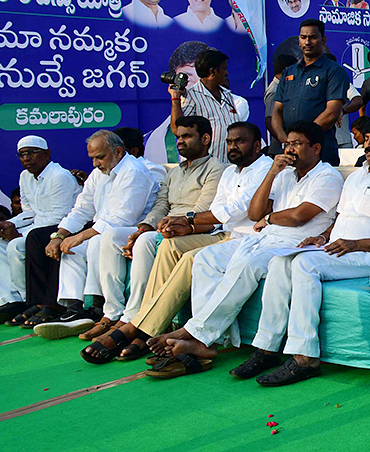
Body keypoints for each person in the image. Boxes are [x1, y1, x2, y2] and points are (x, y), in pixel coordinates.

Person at [147, 121, 344, 376]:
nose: (290, 149)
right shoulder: (284, 174)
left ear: (316, 148)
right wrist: (272, 172)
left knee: (246, 266)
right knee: (207, 259)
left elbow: (298, 217)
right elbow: (254, 213)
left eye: (297, 144)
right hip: (262, 237)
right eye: (287, 144)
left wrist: (271, 218)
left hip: (293, 244)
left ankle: (196, 334)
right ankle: (209, 342)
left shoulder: (327, 176)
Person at [244, 117, 370, 386]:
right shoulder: (356, 176)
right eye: (367, 138)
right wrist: (321, 236)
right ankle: (268, 347)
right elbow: (340, 219)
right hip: (340, 249)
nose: (368, 144)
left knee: (305, 265)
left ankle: (305, 358)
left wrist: (356, 243)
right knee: (281, 261)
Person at [87, 122, 271, 366]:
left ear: (257, 145)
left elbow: (239, 210)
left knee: (190, 258)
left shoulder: (265, 168)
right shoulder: (229, 172)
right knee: (168, 245)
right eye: (229, 142)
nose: (233, 146)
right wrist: (184, 226)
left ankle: (138, 329)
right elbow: (216, 212)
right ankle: (148, 325)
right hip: (223, 233)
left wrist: (188, 221)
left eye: (240, 141)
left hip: (249, 238)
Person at [79, 117, 224, 361]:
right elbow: (160, 204)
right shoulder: (175, 172)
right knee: (115, 235)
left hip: (197, 228)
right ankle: (116, 314)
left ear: (206, 139)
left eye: (186, 136)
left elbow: (204, 209)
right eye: (178, 137)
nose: (180, 142)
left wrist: (175, 225)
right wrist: (144, 227)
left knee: (147, 241)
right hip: (166, 226)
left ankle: (136, 319)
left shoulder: (216, 169)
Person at [27, 131, 157, 338]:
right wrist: (59, 236)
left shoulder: (134, 171)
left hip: (134, 229)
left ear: (118, 151)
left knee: (97, 239)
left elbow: (122, 219)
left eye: (100, 157)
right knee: (72, 248)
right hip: (106, 231)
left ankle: (105, 311)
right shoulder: (100, 173)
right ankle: (75, 308)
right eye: (92, 158)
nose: (95, 163)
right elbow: (82, 208)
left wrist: (79, 236)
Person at [0, 136, 82, 325]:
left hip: (63, 228)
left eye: (31, 153)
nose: (26, 158)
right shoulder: (24, 176)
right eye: (22, 154)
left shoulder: (59, 176)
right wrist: (10, 224)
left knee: (17, 245)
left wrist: (19, 233)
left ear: (47, 154)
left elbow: (59, 216)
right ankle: (13, 299)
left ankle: (33, 301)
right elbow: (29, 212)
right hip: (38, 227)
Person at [271, 19, 351, 166]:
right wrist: (287, 141)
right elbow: (276, 110)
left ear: (323, 40)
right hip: (288, 153)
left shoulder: (334, 71)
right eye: (303, 37)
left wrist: (301, 140)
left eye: (313, 37)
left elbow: (332, 113)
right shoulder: (289, 72)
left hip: (320, 153)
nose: (307, 42)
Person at [172, 49, 240, 164]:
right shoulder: (191, 95)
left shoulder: (227, 95)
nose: (227, 73)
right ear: (212, 71)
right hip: (204, 169)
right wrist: (175, 99)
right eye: (224, 68)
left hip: (229, 168)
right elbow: (176, 129)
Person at [264, 53, 298, 156]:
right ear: (287, 69)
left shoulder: (284, 87)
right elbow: (269, 119)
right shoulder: (275, 90)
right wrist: (284, 141)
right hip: (279, 149)